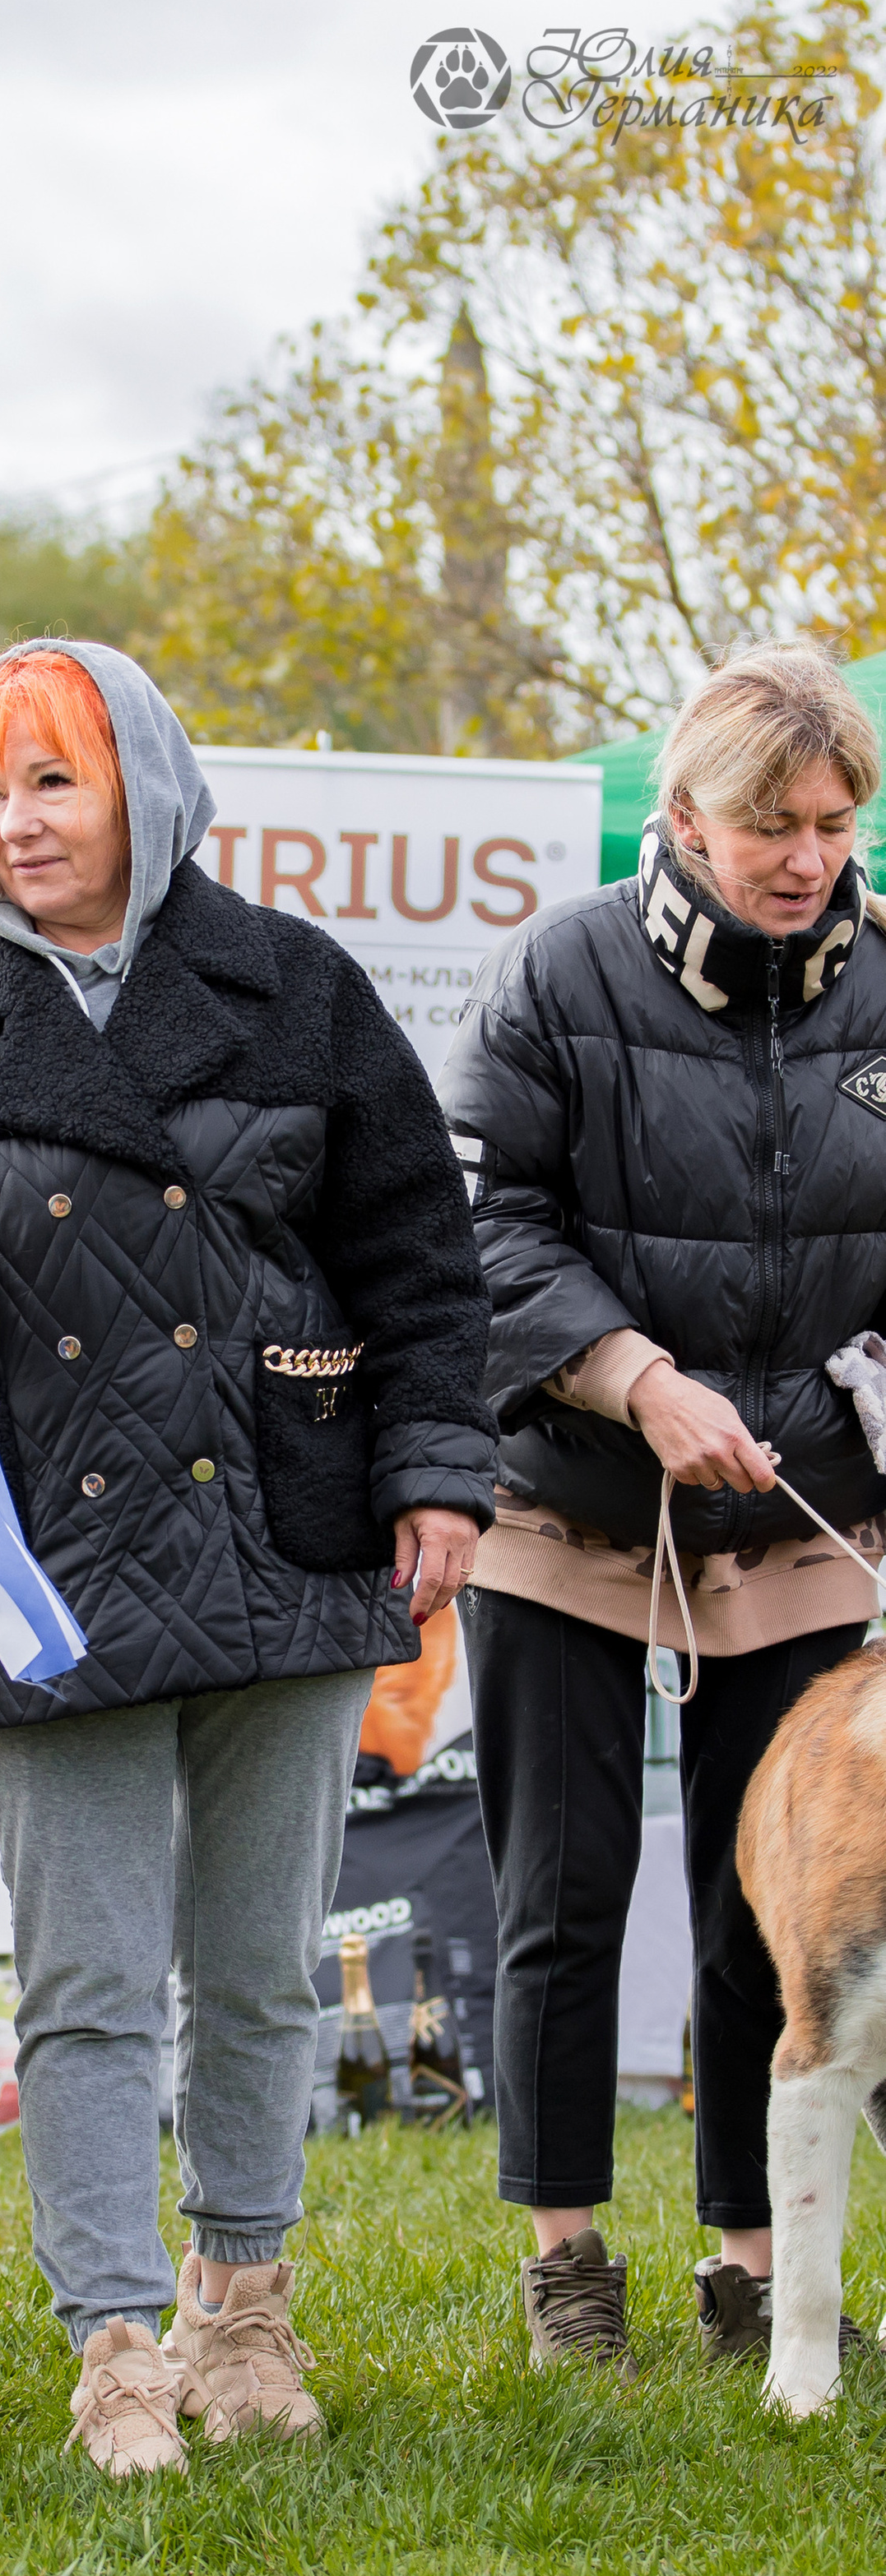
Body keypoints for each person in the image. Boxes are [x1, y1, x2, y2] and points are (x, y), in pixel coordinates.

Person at [0, 643, 496, 2472]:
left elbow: (420, 1255)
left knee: (259, 1967)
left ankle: (241, 2305)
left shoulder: (298, 987)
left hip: (285, 1533)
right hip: (48, 1561)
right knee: (84, 1984)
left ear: (145, 787)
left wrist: (437, 1471)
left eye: (55, 781)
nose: (16, 824)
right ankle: (110, 2343)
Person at [442, 643, 886, 2373]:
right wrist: (629, 1376)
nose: (805, 858)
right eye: (771, 826)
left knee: (761, 1900)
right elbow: (481, 1222)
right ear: (687, 818)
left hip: (797, 1522)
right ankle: (566, 2261)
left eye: (832, 825)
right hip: (563, 1508)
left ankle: (748, 2266)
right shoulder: (554, 970)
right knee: (561, 1893)